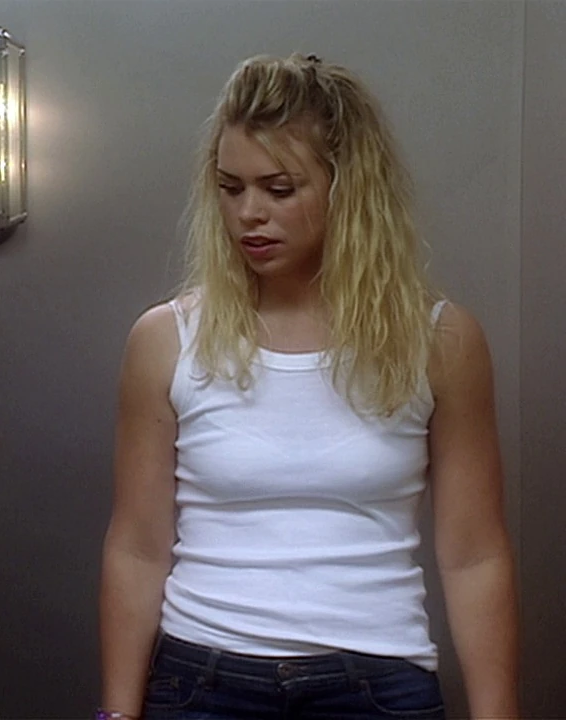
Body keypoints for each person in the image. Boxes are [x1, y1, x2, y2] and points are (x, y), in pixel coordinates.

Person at [97, 53, 519, 720]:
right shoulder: (166, 340)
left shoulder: (441, 342)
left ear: (348, 189)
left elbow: (474, 555)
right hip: (202, 682)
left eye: (280, 189)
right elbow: (137, 546)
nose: (249, 214)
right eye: (231, 188)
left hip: (376, 684)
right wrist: (116, 715)